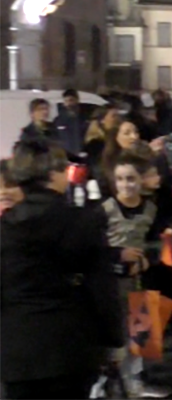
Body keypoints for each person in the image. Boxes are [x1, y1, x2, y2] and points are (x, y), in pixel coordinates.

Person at [0, 140, 123, 400]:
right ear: (54, 173)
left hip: (17, 348)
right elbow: (102, 287)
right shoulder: (83, 221)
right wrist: (114, 338)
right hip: (71, 345)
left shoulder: (6, 226)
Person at [102, 152, 172, 399]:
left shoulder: (151, 209)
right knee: (117, 333)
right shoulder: (104, 210)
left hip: (142, 276)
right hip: (112, 280)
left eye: (131, 178)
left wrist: (146, 259)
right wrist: (118, 255)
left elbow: (156, 243)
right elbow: (94, 246)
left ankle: (136, 381)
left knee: (141, 332)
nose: (126, 185)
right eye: (120, 179)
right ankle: (113, 382)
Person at [54, 89, 87, 158]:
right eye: (66, 101)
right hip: (65, 158)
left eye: (71, 100)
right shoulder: (58, 121)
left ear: (77, 100)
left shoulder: (85, 118)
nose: (69, 103)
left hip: (84, 157)